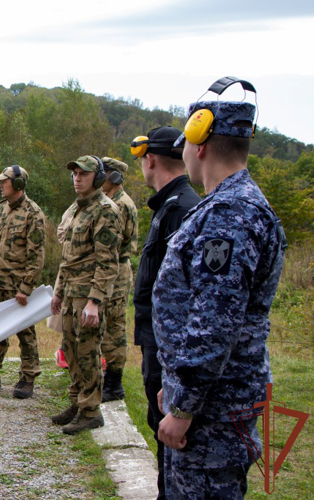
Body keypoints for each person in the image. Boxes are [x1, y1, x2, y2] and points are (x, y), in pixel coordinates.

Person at [153, 78, 286, 498]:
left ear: (200, 143)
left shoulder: (229, 215)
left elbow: (214, 324)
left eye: (186, 144)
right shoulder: (230, 205)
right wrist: (176, 383)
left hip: (213, 412)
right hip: (211, 401)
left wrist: (184, 405)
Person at [130, 126, 201, 500]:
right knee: (158, 425)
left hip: (168, 346)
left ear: (150, 158)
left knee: (170, 432)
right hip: (156, 341)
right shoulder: (168, 205)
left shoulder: (182, 209)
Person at [50, 155, 122, 435]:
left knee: (88, 351)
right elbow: (68, 257)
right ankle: (77, 402)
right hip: (70, 290)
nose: (78, 178)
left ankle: (91, 410)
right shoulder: (77, 208)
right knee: (70, 348)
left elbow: (108, 262)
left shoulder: (105, 210)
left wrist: (94, 301)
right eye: (75, 173)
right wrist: (58, 293)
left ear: (99, 177)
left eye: (84, 173)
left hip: (88, 293)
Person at [0, 165, 46, 399]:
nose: (0, 185)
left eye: (4, 181)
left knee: (25, 331)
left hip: (18, 285)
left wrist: (26, 287)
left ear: (18, 185)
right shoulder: (0, 209)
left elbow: (37, 256)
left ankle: (28, 377)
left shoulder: (33, 213)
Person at [100, 157, 138, 402]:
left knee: (113, 327)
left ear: (112, 177)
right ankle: (109, 379)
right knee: (107, 326)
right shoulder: (112, 201)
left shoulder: (121, 204)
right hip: (112, 269)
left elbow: (112, 243)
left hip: (116, 271)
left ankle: (114, 384)